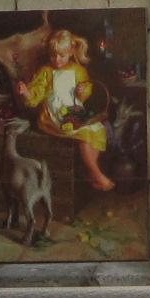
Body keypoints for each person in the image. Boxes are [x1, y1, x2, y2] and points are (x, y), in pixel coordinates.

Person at [20, 27, 116, 192]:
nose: (57, 60)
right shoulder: (46, 71)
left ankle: (90, 172)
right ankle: (98, 175)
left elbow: (86, 92)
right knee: (85, 135)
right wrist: (27, 92)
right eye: (53, 55)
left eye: (61, 56)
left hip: (74, 110)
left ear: (71, 52)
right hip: (54, 115)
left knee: (97, 129)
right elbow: (37, 95)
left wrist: (82, 91)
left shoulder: (78, 70)